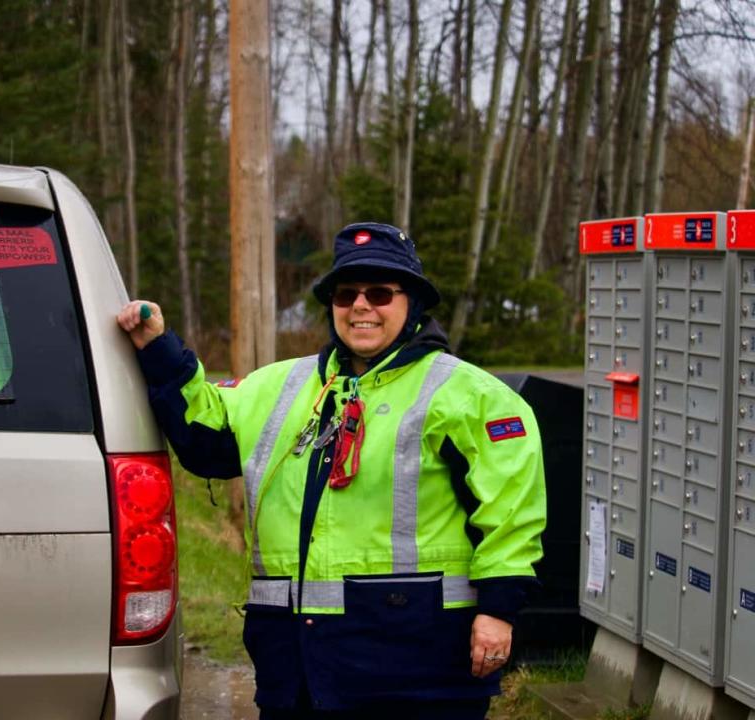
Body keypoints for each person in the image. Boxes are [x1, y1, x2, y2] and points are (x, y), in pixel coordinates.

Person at [117, 222, 546, 719]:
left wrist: (497, 612)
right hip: (295, 661)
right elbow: (205, 438)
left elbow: (510, 513)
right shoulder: (280, 384)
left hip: (418, 666)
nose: (361, 305)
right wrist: (158, 348)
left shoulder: (471, 395)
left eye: (380, 292)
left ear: (414, 304)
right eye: (346, 294)